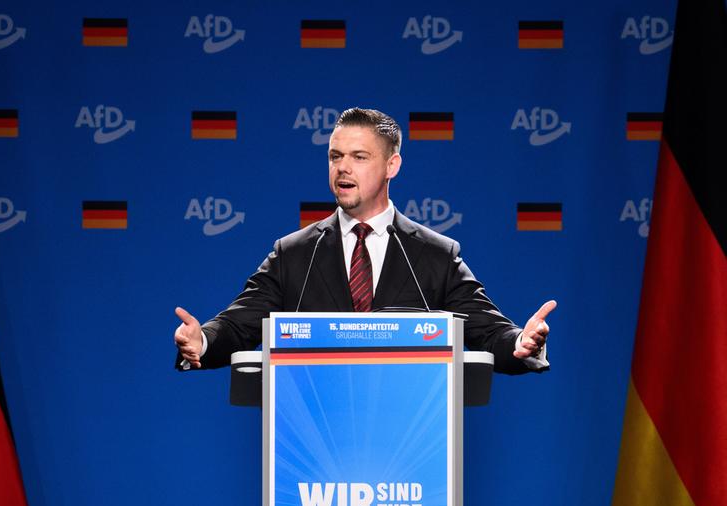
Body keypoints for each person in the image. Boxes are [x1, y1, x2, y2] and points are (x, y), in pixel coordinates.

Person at [174, 107, 555, 376]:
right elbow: (239, 324)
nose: (342, 167)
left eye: (359, 156)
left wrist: (522, 341)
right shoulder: (294, 254)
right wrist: (203, 340)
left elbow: (489, 332)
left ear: (392, 166)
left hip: (407, 445)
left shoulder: (435, 254)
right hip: (313, 444)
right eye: (335, 156)